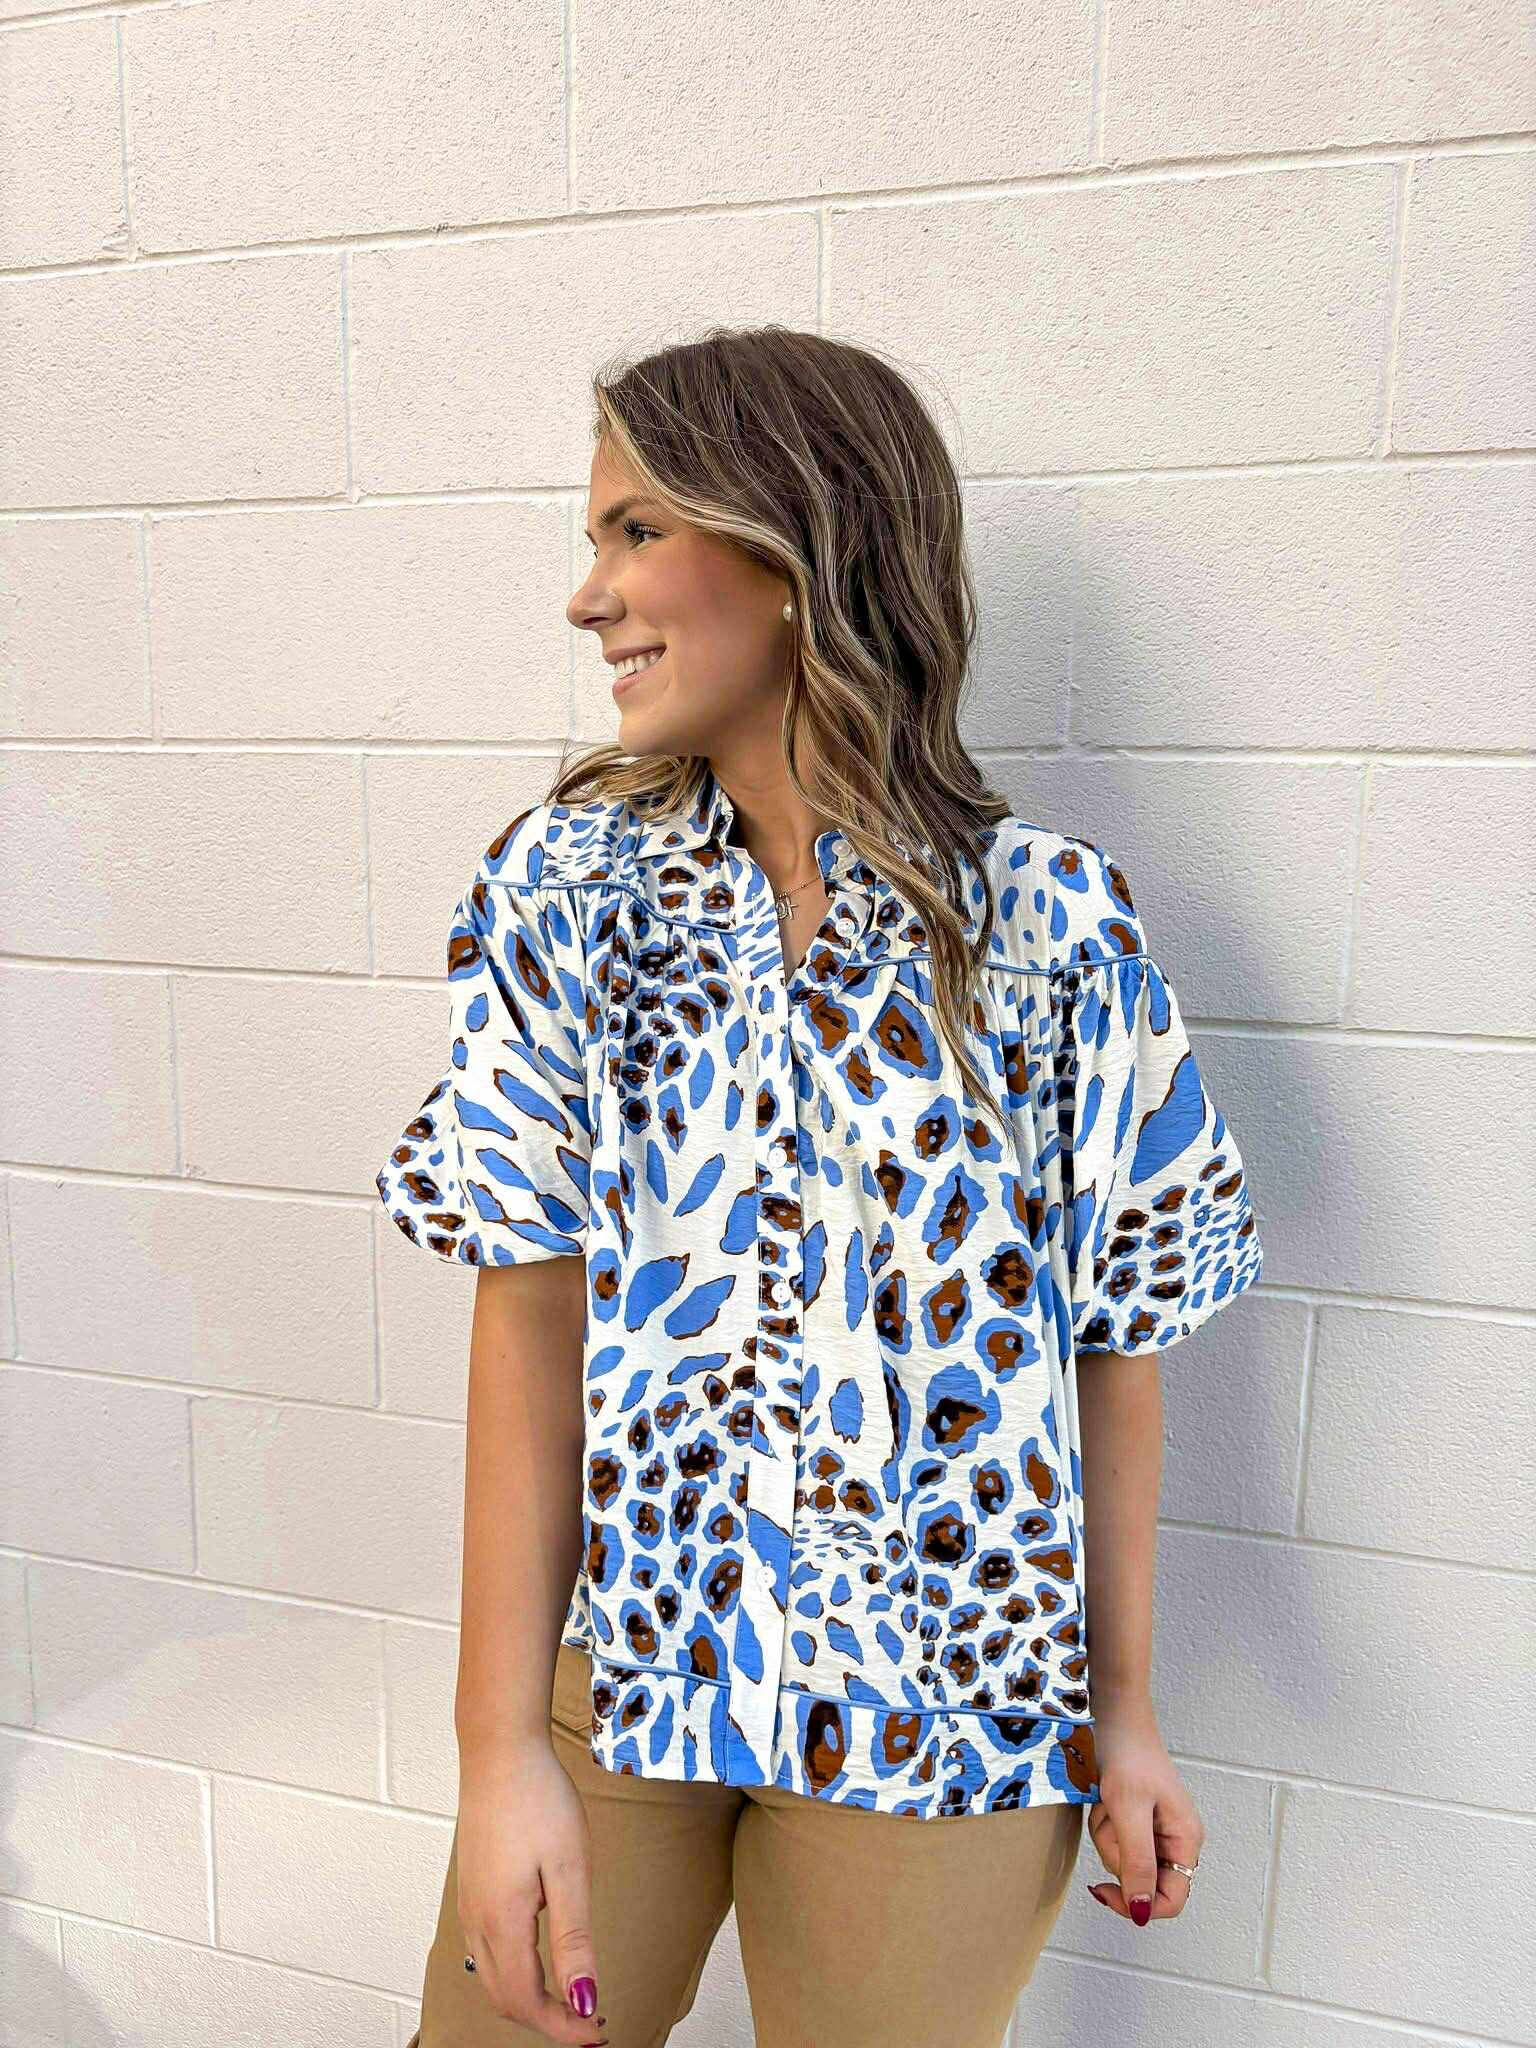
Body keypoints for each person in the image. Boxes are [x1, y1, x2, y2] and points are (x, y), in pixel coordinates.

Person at [375, 324, 1264, 2048]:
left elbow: (1116, 1344)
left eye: (636, 530)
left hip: (957, 1709)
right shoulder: (569, 891)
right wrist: (500, 1756)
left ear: (791, 553)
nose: (588, 596)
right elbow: (528, 1317)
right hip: (631, 1669)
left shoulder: (1053, 928)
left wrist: (1128, 1714)